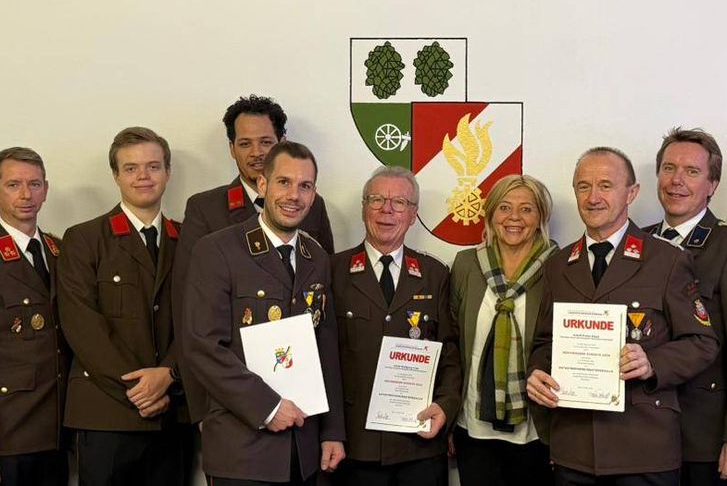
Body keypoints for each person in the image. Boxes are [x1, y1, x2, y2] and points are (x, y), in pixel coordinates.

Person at [526, 146, 719, 486]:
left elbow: (702, 342)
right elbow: (545, 341)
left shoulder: (666, 260)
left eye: (605, 185)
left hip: (643, 449)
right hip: (575, 447)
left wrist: (653, 362)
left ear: (631, 193)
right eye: (583, 186)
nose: (593, 197)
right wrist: (538, 373)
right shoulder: (557, 266)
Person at [183, 140, 345, 485]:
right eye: (284, 182)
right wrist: (267, 407)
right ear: (262, 185)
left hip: (304, 449)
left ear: (314, 194)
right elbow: (202, 346)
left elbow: (325, 347)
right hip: (242, 448)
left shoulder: (316, 258)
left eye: (305, 186)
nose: (294, 196)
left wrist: (333, 430)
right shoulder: (218, 250)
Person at [173, 94, 334, 423]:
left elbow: (321, 300)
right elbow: (188, 316)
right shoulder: (205, 209)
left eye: (266, 142)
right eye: (245, 143)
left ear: (282, 142)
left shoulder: (311, 204)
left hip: (301, 404)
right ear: (231, 148)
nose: (257, 153)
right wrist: (202, 411)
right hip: (231, 406)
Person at [58, 127, 190, 486]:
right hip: (106, 414)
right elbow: (81, 326)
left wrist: (169, 376)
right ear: (115, 175)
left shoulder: (190, 240)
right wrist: (140, 390)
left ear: (168, 171)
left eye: (153, 166)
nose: (143, 176)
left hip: (171, 412)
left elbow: (200, 319)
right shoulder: (84, 238)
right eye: (131, 168)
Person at [644, 127, 727, 485]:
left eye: (692, 171)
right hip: (643, 433)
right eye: (669, 168)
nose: (676, 181)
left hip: (704, 437)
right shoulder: (639, 241)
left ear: (713, 184)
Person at [331, 166, 461, 486]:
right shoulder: (332, 271)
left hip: (418, 444)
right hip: (355, 445)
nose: (387, 210)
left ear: (413, 214)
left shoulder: (435, 274)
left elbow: (451, 353)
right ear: (364, 208)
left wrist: (445, 407)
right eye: (377, 199)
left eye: (399, 202)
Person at [449, 174, 559, 486]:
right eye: (505, 208)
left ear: (540, 217)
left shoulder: (560, 266)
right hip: (474, 425)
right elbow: (452, 344)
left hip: (537, 430)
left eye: (526, 209)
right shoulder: (465, 264)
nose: (514, 218)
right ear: (491, 214)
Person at [0, 146, 69, 486]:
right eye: (13, 185)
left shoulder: (61, 251)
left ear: (46, 189)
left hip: (57, 427)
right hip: (9, 429)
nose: (26, 195)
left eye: (35, 184)